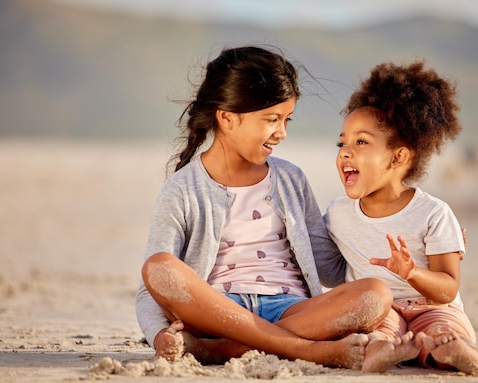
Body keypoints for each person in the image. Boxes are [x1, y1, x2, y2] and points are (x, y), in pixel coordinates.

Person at [134, 45, 410, 370]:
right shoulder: (182, 189)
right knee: (158, 267)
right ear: (226, 118)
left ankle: (222, 350)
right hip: (216, 311)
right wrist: (158, 336)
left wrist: (373, 216)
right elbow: (150, 290)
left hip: (290, 309)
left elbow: (331, 269)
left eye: (286, 119)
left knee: (375, 295)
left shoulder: (290, 179)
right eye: (272, 119)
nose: (282, 132)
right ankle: (306, 350)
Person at [324, 61, 478, 375]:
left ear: (399, 156)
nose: (345, 152)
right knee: (374, 333)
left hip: (433, 308)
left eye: (361, 142)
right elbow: (320, 265)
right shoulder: (337, 214)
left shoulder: (434, 213)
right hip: (380, 311)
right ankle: (382, 350)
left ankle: (456, 352)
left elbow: (448, 289)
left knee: (443, 330)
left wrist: (413, 273)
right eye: (342, 143)